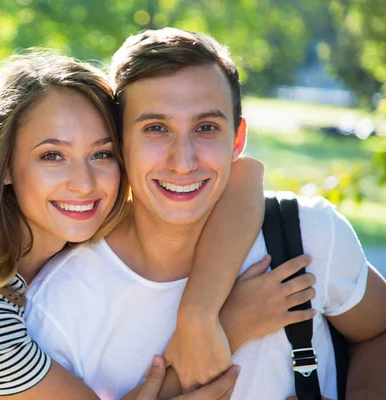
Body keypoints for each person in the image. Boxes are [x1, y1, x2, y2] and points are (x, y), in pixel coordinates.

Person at [0, 50, 309, 399]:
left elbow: (245, 175)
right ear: (4, 165)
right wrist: (230, 326)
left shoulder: (72, 236)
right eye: (53, 156)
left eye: (101, 153)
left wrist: (198, 314)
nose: (84, 183)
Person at [24, 28, 386, 400]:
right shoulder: (60, 308)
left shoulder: (304, 236)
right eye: (156, 128)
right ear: (119, 143)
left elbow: (379, 332)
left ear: (237, 139)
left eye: (206, 128)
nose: (183, 162)